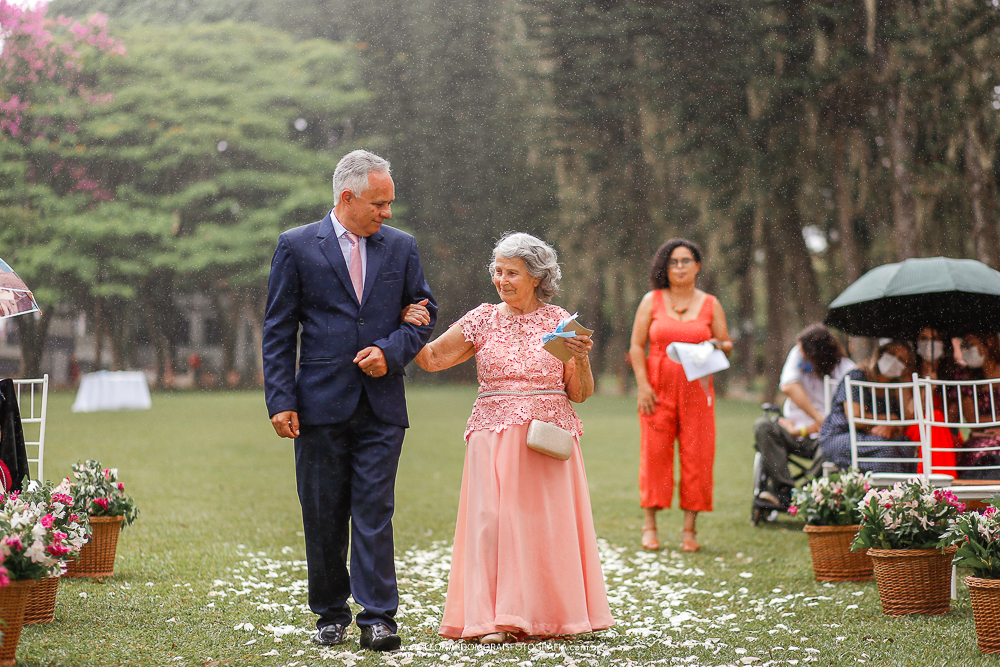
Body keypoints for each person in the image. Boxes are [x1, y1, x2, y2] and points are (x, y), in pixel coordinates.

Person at [262, 150, 437, 652]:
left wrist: (391, 351)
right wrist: (280, 399)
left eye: (390, 204)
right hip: (317, 405)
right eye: (379, 204)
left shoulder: (401, 248)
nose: (388, 213)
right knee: (322, 511)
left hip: (382, 405)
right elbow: (279, 330)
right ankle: (330, 613)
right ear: (347, 197)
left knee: (374, 510)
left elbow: (423, 311)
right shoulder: (296, 246)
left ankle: (379, 616)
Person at [408, 232, 613, 644]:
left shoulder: (560, 324)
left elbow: (580, 394)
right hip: (492, 436)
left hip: (548, 439)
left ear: (536, 277)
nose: (501, 279)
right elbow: (431, 359)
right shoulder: (481, 319)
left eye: (511, 272)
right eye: (497, 271)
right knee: (493, 523)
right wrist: (409, 325)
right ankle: (494, 619)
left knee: (545, 527)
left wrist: (580, 356)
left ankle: (552, 618)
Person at [628, 238, 732, 553]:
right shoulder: (652, 300)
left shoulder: (711, 304)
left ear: (698, 265)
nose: (680, 267)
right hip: (657, 388)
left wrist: (713, 345)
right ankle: (650, 527)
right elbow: (636, 346)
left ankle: (689, 530)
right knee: (655, 455)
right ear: (665, 267)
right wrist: (643, 386)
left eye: (686, 261)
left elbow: (726, 342)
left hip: (697, 390)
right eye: (673, 262)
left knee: (697, 456)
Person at [753, 324, 855, 506]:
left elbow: (841, 420)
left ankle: (807, 493)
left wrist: (804, 430)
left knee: (837, 443)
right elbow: (788, 386)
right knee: (763, 426)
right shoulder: (798, 353)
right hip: (792, 426)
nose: (802, 358)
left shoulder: (847, 371)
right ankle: (783, 490)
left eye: (807, 355)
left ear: (820, 354)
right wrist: (816, 418)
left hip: (825, 437)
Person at [818, 339, 917, 473]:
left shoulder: (893, 390)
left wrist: (891, 425)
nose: (894, 360)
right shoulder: (858, 376)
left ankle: (899, 491)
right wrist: (890, 419)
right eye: (891, 354)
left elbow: (905, 419)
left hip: (873, 439)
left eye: (901, 359)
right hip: (842, 435)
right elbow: (856, 418)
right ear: (881, 354)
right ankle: (882, 491)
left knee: (907, 448)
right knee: (887, 452)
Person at [956, 332, 1000, 478]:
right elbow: (973, 420)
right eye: (963, 346)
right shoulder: (967, 378)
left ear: (989, 343)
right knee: (977, 450)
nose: (966, 350)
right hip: (981, 435)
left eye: (970, 344)